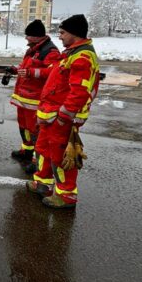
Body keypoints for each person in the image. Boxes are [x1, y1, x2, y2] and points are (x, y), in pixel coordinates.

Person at [26, 14, 100, 209]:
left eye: (63, 32)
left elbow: (79, 91)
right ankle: (42, 183)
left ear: (74, 34)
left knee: (61, 157)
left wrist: (64, 117)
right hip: (50, 116)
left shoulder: (82, 57)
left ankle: (66, 196)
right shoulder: (70, 53)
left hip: (61, 119)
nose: (59, 37)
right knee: (42, 150)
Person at [10, 20, 60, 172]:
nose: (26, 39)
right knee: (23, 126)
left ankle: (36, 161)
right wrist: (15, 69)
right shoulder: (33, 49)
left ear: (37, 36)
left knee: (36, 131)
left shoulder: (50, 52)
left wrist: (32, 73)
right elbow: (26, 67)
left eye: (29, 36)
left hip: (35, 100)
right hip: (23, 97)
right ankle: (26, 151)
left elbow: (53, 72)